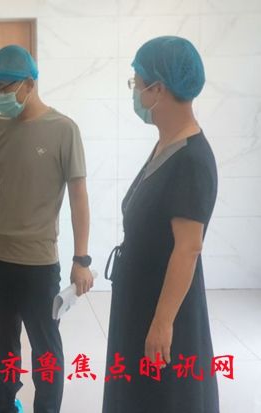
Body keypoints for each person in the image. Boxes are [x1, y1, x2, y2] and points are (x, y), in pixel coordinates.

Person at [0, 45, 94, 413]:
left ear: (29, 83)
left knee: (45, 350)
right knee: (1, 347)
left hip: (38, 264)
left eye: (5, 88)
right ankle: (4, 405)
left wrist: (82, 259)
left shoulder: (64, 129)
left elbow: (79, 197)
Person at [103, 36, 219, 413]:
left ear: (159, 89)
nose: (135, 93)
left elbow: (188, 247)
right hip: (140, 296)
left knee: (162, 397)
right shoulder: (167, 144)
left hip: (163, 305)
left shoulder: (192, 160)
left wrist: (162, 323)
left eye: (137, 83)